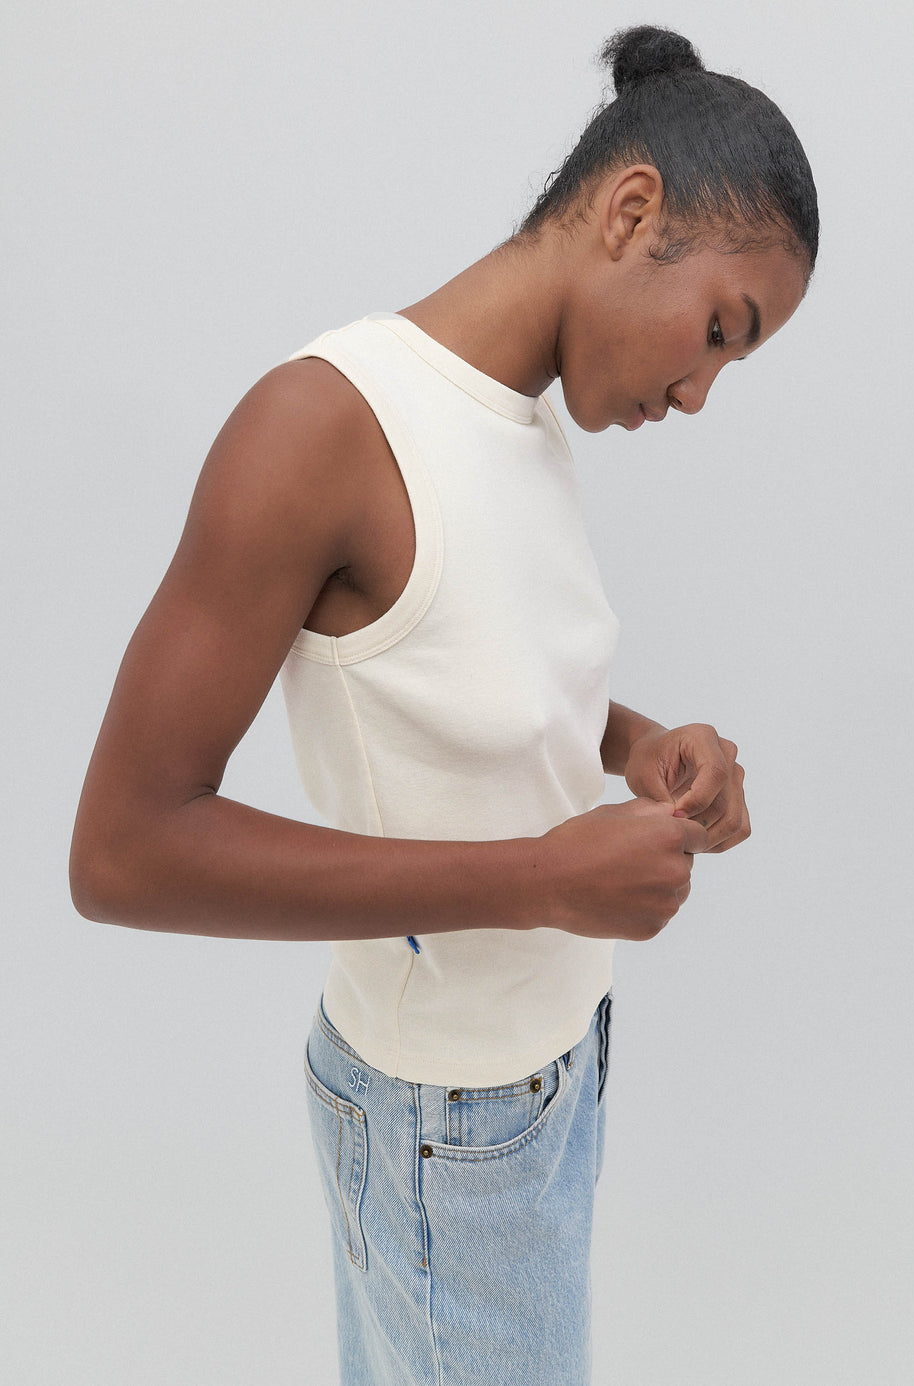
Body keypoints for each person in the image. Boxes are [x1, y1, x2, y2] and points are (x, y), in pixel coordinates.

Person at [69, 23, 818, 1386]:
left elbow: (469, 664)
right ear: (630, 210)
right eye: (719, 330)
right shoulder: (320, 429)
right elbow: (122, 851)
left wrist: (641, 744)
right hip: (447, 1125)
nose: (701, 392)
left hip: (549, 1078)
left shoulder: (521, 420)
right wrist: (542, 878)